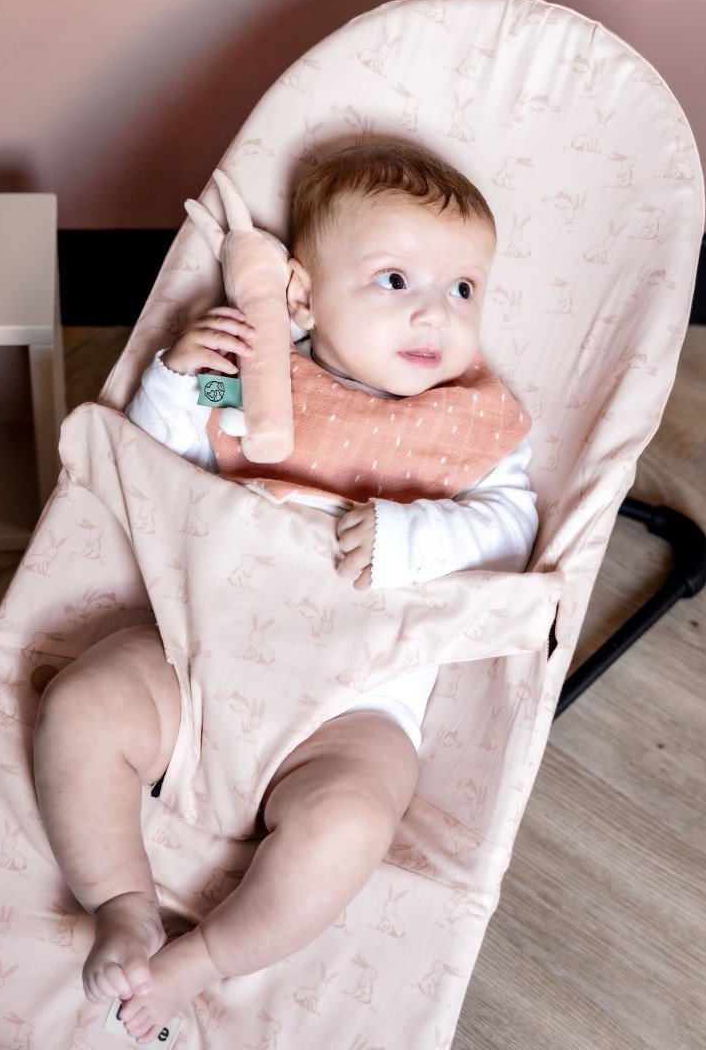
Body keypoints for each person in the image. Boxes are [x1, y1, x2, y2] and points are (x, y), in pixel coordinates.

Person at [32, 141, 539, 1044]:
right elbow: (157, 467)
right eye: (395, 280)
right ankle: (122, 902)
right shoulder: (261, 375)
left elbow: (513, 525)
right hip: (199, 652)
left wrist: (414, 536)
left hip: (354, 701)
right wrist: (178, 378)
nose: (436, 314)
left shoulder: (469, 423)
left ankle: (203, 959)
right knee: (82, 708)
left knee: (350, 824)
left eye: (464, 290)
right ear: (301, 293)